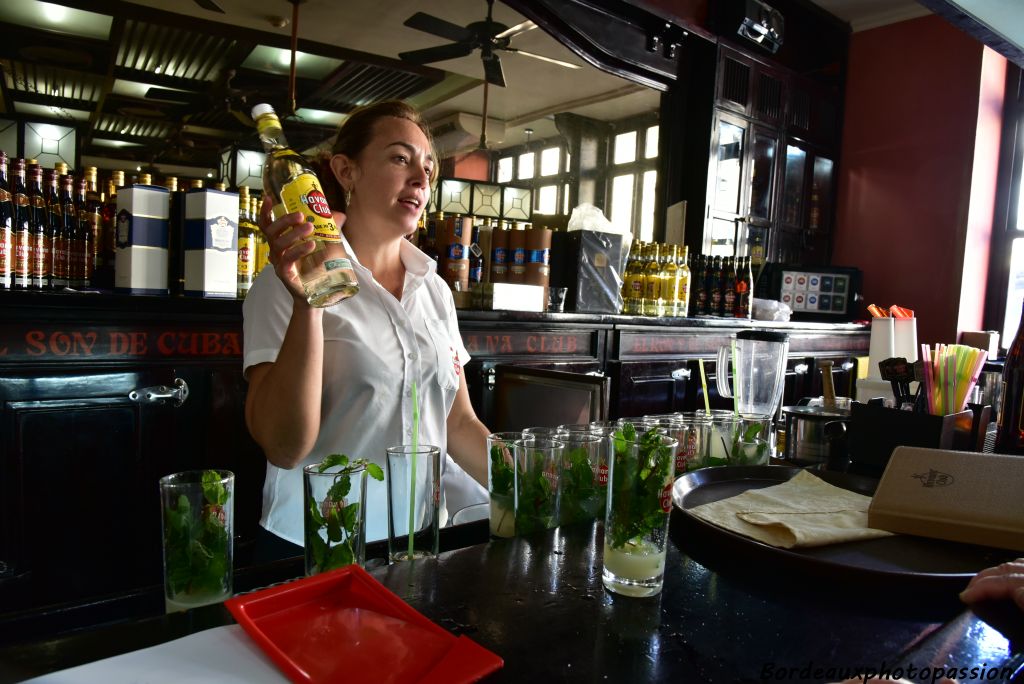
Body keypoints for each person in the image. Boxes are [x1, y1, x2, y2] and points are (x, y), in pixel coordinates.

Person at [242, 100, 490, 560]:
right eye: (400, 158)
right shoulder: (284, 284)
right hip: (314, 547)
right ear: (345, 171)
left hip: (416, 545)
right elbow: (284, 448)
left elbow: (458, 422)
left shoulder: (434, 290)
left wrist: (528, 482)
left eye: (428, 168)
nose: (421, 179)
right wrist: (308, 306)